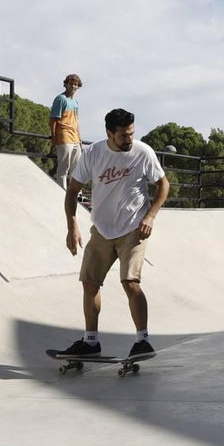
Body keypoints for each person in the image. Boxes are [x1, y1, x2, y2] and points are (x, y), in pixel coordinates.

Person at [57, 108, 170, 360]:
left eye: (131, 133)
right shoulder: (93, 153)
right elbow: (72, 190)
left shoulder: (143, 152)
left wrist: (150, 216)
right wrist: (71, 225)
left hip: (133, 227)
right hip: (102, 229)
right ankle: (91, 342)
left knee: (130, 282)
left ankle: (142, 341)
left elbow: (163, 184)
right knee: (89, 283)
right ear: (109, 133)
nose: (129, 139)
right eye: (123, 135)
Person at [50, 74, 83, 189]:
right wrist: (54, 137)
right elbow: (53, 120)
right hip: (64, 135)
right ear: (66, 84)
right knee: (64, 168)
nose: (73, 86)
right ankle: (61, 193)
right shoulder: (60, 99)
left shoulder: (75, 102)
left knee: (76, 168)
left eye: (76, 84)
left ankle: (73, 193)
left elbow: (76, 121)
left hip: (75, 138)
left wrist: (79, 138)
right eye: (71, 83)